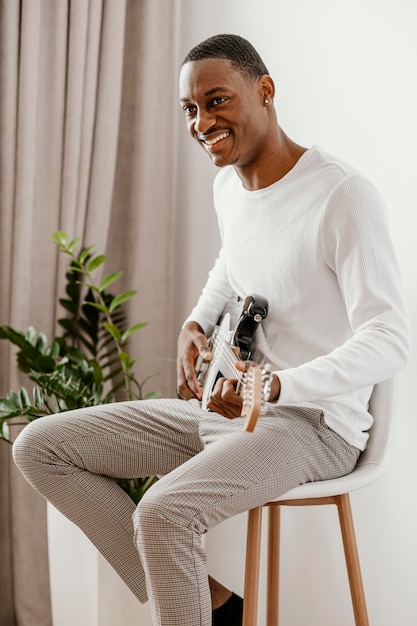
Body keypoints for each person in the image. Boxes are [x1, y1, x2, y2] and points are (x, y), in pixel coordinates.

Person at [13, 34, 409, 626]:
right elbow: (234, 261)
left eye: (217, 101)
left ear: (265, 91)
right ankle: (218, 607)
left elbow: (390, 338)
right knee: (41, 447)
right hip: (229, 414)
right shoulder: (230, 186)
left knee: (163, 511)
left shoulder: (341, 197)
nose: (202, 122)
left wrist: (275, 388)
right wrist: (195, 322)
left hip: (314, 425)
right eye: (191, 110)